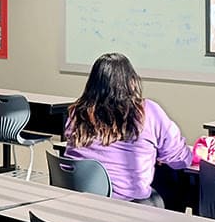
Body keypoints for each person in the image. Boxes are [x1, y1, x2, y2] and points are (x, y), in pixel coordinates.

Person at [63, 53, 192, 206]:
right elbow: (179, 158)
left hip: (79, 200)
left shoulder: (77, 112)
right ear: (131, 81)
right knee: (171, 181)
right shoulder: (147, 111)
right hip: (127, 204)